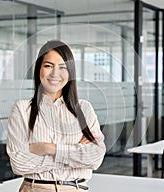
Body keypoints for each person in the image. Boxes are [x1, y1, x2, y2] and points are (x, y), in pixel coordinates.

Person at [6, 40, 106, 192]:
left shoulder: (84, 109)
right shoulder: (22, 109)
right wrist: (75, 155)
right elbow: (19, 164)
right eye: (48, 66)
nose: (55, 74)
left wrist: (49, 148)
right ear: (39, 69)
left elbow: (95, 158)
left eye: (62, 67)